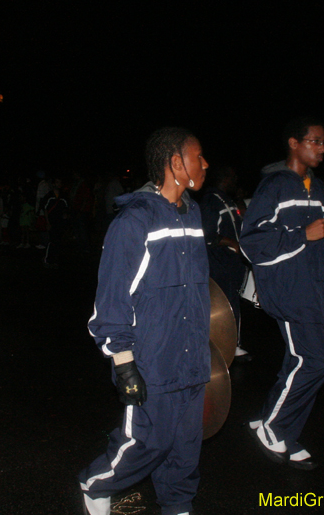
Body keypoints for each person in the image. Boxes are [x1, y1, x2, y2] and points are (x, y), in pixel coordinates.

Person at [79, 127, 210, 515]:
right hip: (153, 359)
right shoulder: (135, 221)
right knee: (148, 442)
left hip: (192, 358)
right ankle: (96, 483)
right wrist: (124, 364)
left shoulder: (194, 212)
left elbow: (197, 286)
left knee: (186, 448)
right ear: (174, 163)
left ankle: (178, 506)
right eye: (198, 156)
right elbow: (111, 301)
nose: (205, 163)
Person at [239, 117, 324, 471]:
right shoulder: (275, 186)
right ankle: (274, 427)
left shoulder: (318, 187)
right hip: (290, 291)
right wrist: (301, 235)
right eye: (315, 141)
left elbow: (321, 250)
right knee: (315, 361)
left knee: (302, 360)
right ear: (294, 143)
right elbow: (253, 241)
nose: (322, 148)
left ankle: (271, 420)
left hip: (314, 292)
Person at [199, 164, 249, 359]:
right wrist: (232, 243)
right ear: (224, 178)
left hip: (230, 264)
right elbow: (207, 235)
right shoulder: (211, 201)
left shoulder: (226, 200)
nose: (235, 181)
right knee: (226, 306)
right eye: (233, 177)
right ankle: (230, 347)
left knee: (231, 304)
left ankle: (229, 344)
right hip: (220, 264)